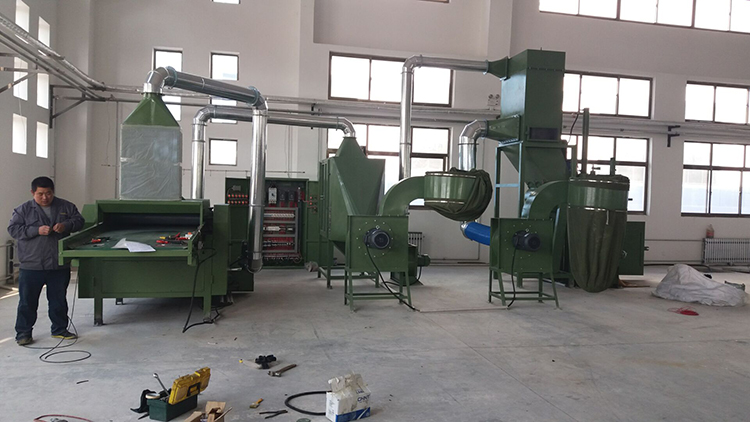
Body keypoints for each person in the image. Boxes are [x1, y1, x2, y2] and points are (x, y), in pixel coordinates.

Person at [8, 176, 84, 346]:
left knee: (58, 300)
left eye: (48, 193)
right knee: (27, 302)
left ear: (53, 192)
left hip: (58, 264)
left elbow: (79, 221)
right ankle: (23, 333)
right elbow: (13, 229)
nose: (45, 197)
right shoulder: (23, 210)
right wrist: (36, 230)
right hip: (32, 265)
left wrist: (65, 226)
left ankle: (59, 329)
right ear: (32, 192)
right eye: (40, 194)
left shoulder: (66, 206)